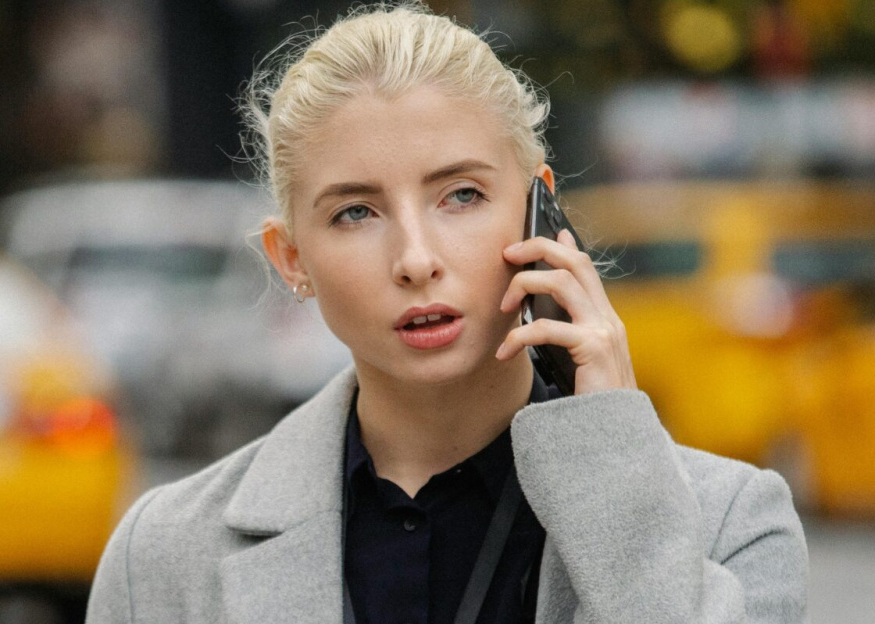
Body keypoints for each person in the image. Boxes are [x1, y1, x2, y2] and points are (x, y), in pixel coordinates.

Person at [86, 3, 809, 623]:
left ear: (539, 208)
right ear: (292, 258)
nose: (415, 257)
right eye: (355, 212)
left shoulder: (732, 522)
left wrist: (611, 456)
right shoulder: (164, 555)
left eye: (460, 195)